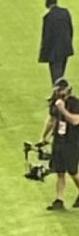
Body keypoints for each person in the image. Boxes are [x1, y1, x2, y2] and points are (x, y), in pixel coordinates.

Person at [40, 78, 79, 210]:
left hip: (72, 141)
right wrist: (43, 137)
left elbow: (75, 121)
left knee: (73, 171)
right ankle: (59, 200)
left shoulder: (75, 103)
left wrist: (62, 110)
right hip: (59, 140)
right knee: (60, 171)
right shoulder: (55, 103)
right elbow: (52, 120)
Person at [40, 0, 74, 84]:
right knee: (61, 73)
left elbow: (46, 37)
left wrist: (43, 54)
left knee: (56, 75)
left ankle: (58, 95)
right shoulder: (65, 12)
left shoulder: (48, 17)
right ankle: (59, 93)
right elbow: (71, 29)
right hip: (66, 47)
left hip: (54, 51)